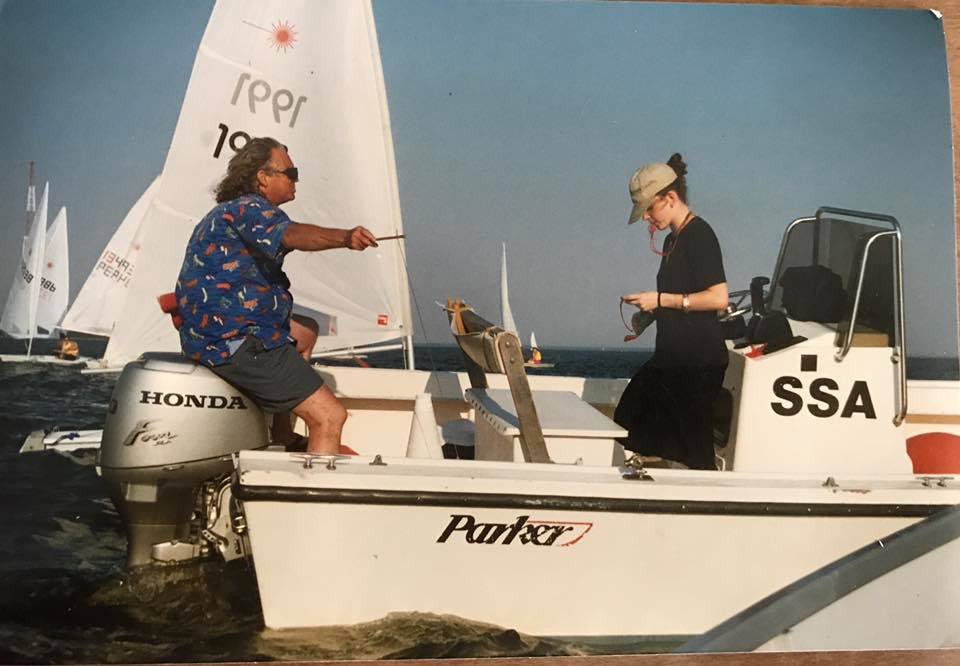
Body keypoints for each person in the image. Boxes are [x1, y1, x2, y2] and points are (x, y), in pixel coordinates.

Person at [174, 137, 378, 454]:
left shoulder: (228, 211)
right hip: (238, 340)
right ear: (263, 177)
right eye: (290, 173)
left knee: (305, 330)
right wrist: (345, 237)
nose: (295, 179)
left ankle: (281, 434)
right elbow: (293, 235)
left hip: (210, 335)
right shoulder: (252, 208)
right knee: (329, 417)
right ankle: (315, 496)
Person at [614, 153, 729, 470]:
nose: (648, 218)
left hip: (697, 363)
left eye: (649, 209)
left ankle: (705, 506)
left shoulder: (699, 235)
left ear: (671, 198)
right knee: (631, 420)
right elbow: (680, 294)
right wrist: (649, 314)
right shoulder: (673, 239)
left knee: (694, 447)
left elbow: (718, 298)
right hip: (674, 359)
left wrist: (660, 300)